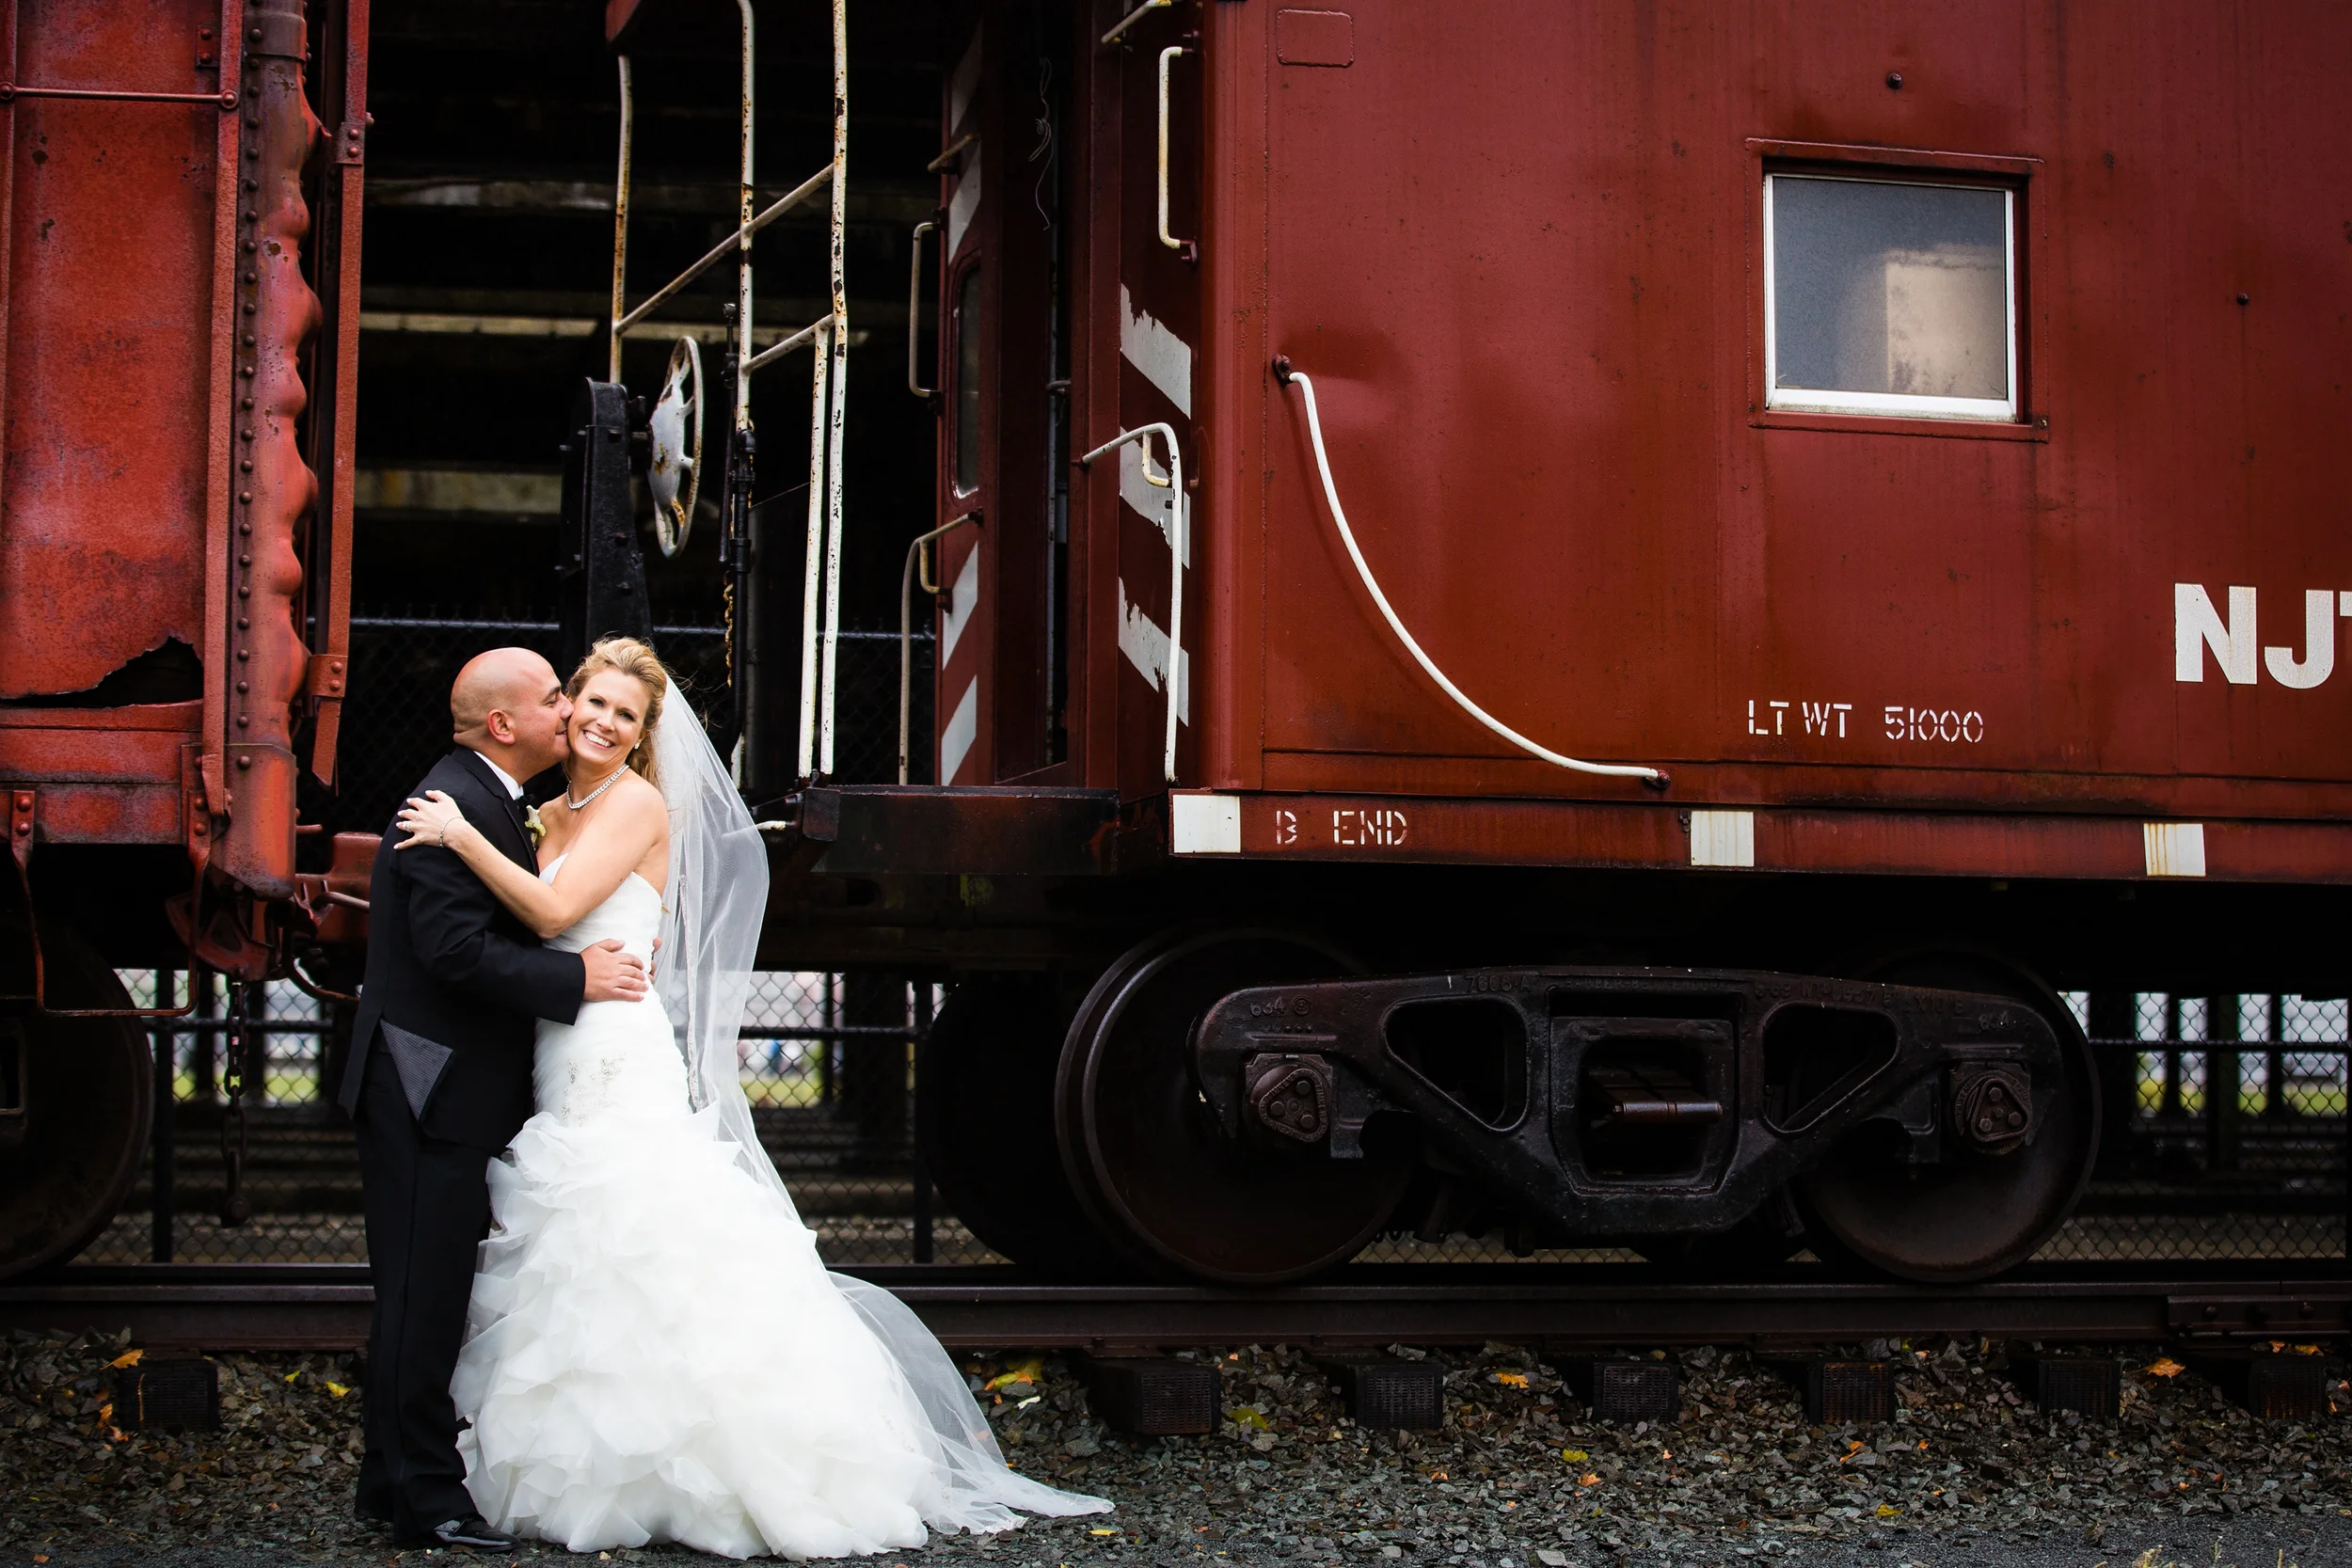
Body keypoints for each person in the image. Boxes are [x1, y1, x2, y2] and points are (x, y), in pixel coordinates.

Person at [391, 637, 1108, 1557]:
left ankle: (717, 1460)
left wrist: (456, 837)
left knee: (637, 1232)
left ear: (645, 735)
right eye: (593, 703)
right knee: (584, 1251)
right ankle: (604, 1458)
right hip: (561, 1046)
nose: (604, 722)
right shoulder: (551, 809)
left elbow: (552, 913)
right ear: (564, 707)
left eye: (626, 714)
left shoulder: (633, 801)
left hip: (612, 1044)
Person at [337, 647, 651, 1551]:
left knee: (422, 1295)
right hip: (424, 1083)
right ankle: (428, 1500)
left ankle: (387, 1487)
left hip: (442, 1082)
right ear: (505, 724)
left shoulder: (487, 804)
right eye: (555, 697)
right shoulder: (446, 807)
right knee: (420, 1297)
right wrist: (576, 977)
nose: (569, 711)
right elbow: (452, 952)